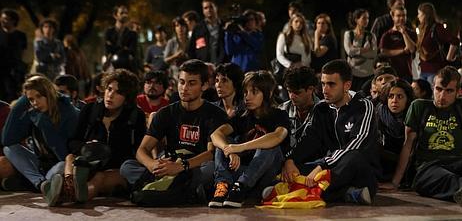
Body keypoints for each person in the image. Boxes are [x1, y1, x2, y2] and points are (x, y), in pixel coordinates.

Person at [381, 66, 462, 207]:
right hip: (429, 166)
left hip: (459, 161)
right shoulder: (419, 107)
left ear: (458, 92)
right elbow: (408, 145)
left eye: (449, 91)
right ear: (433, 87)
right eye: (439, 89)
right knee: (427, 180)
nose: (442, 96)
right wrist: (395, 182)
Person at [119, 60, 227, 206]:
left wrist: (181, 166)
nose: (184, 88)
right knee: (127, 166)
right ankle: (180, 191)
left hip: (194, 167)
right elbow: (142, 150)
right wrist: (153, 165)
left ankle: (167, 188)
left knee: (211, 168)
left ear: (205, 85)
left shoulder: (215, 114)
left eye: (192, 83)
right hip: (168, 164)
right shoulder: (166, 113)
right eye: (181, 82)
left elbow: (210, 153)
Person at [282, 59, 380, 205]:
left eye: (331, 84)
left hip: (360, 171)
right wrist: (290, 160)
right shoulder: (321, 108)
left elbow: (357, 143)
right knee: (294, 168)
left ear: (346, 85)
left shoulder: (364, 106)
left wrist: (323, 165)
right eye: (323, 83)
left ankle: (298, 191)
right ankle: (347, 193)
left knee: (353, 157)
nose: (325, 90)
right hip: (331, 168)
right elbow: (309, 140)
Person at [43, 69, 146, 206]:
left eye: (118, 92)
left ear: (127, 98)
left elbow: (138, 150)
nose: (110, 95)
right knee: (69, 158)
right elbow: (73, 142)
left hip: (116, 168)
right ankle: (69, 186)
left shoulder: (135, 116)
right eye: (109, 89)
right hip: (87, 164)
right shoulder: (90, 109)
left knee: (98, 178)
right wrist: (88, 148)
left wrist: (105, 151)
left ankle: (65, 193)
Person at [209, 71, 289, 208]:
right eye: (245, 92)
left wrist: (241, 147)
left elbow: (277, 137)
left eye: (254, 92)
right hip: (242, 170)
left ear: (268, 93)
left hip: (267, 172)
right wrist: (229, 150)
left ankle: (241, 187)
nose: (247, 97)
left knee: (269, 146)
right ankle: (223, 186)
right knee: (224, 141)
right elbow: (216, 134)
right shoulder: (243, 115)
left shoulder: (279, 115)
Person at [1, 75, 78, 197]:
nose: (35, 103)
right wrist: (20, 104)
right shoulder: (34, 113)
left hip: (63, 163)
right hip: (41, 166)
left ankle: (31, 183)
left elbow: (64, 154)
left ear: (48, 94)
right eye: (31, 99)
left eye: (39, 96)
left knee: (61, 166)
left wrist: (44, 123)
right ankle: (41, 184)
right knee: (9, 149)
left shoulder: (68, 112)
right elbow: (7, 140)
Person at [376, 79, 414, 182]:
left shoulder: (414, 116)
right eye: (391, 96)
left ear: (407, 99)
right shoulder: (379, 112)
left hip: (407, 164)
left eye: (400, 97)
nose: (394, 100)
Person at [416, 3, 459, 84]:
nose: (418, 16)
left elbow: (454, 40)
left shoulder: (437, 28)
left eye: (419, 14)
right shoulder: (422, 29)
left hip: (435, 70)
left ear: (425, 15)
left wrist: (448, 58)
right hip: (422, 70)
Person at [279, 66, 321, 150]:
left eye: (297, 93)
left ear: (310, 89)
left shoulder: (324, 112)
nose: (291, 96)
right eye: (289, 91)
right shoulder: (282, 110)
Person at [379, 5, 417, 82]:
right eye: (398, 16)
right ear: (393, 17)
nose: (401, 18)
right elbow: (383, 52)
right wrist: (402, 51)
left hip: (407, 73)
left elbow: (412, 49)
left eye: (404, 15)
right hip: (390, 73)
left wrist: (404, 33)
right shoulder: (387, 35)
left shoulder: (411, 33)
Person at [344, 9, 378, 92]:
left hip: (368, 73)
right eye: (364, 18)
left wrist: (356, 51)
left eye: (368, 18)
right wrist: (366, 50)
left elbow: (373, 53)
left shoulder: (371, 36)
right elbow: (349, 51)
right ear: (356, 19)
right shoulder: (349, 34)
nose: (366, 20)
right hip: (353, 72)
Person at [0, 8, 28, 102]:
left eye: (6, 19)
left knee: (13, 97)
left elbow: (23, 53)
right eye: (2, 18)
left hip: (15, 72)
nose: (3, 21)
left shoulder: (21, 36)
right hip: (1, 70)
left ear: (13, 21)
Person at [187, 0, 226, 65]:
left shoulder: (224, 26)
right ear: (203, 11)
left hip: (222, 65)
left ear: (216, 8)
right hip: (203, 66)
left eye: (211, 7)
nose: (209, 10)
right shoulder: (198, 28)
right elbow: (191, 49)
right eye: (206, 8)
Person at [103, 5, 139, 73]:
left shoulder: (132, 34)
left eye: (126, 13)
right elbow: (107, 49)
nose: (125, 15)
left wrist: (114, 48)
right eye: (122, 13)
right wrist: (124, 48)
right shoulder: (109, 32)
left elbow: (132, 51)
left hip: (127, 66)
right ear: (115, 15)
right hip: (112, 65)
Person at [62, 34, 91, 99]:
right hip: (80, 77)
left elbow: (71, 66)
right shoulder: (79, 51)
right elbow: (84, 65)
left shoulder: (69, 52)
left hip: (74, 77)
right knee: (80, 96)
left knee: (75, 96)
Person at [164, 17, 189, 81]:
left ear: (186, 27)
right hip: (175, 74)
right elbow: (165, 59)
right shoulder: (171, 42)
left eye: (182, 25)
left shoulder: (190, 41)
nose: (180, 27)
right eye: (177, 25)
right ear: (174, 28)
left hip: (189, 72)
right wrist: (175, 56)